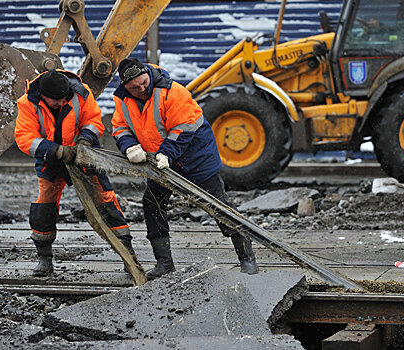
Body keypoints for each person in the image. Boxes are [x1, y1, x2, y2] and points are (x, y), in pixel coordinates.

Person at [111, 58, 258, 280]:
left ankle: (247, 259)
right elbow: (120, 126)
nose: (142, 89)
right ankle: (164, 263)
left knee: (220, 206)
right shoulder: (122, 99)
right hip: (160, 163)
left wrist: (167, 154)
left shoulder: (172, 91)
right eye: (135, 87)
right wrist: (129, 146)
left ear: (148, 75)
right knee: (153, 205)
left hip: (196, 158)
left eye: (144, 83)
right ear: (125, 86)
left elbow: (184, 127)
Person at [15, 69, 134, 277]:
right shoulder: (27, 103)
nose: (59, 103)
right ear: (43, 96)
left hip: (83, 155)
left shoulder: (81, 93)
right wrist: (56, 151)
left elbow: (94, 121)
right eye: (54, 101)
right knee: (45, 204)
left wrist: (85, 139)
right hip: (50, 159)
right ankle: (45, 258)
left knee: (105, 200)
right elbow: (25, 137)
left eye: (62, 99)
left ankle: (127, 255)